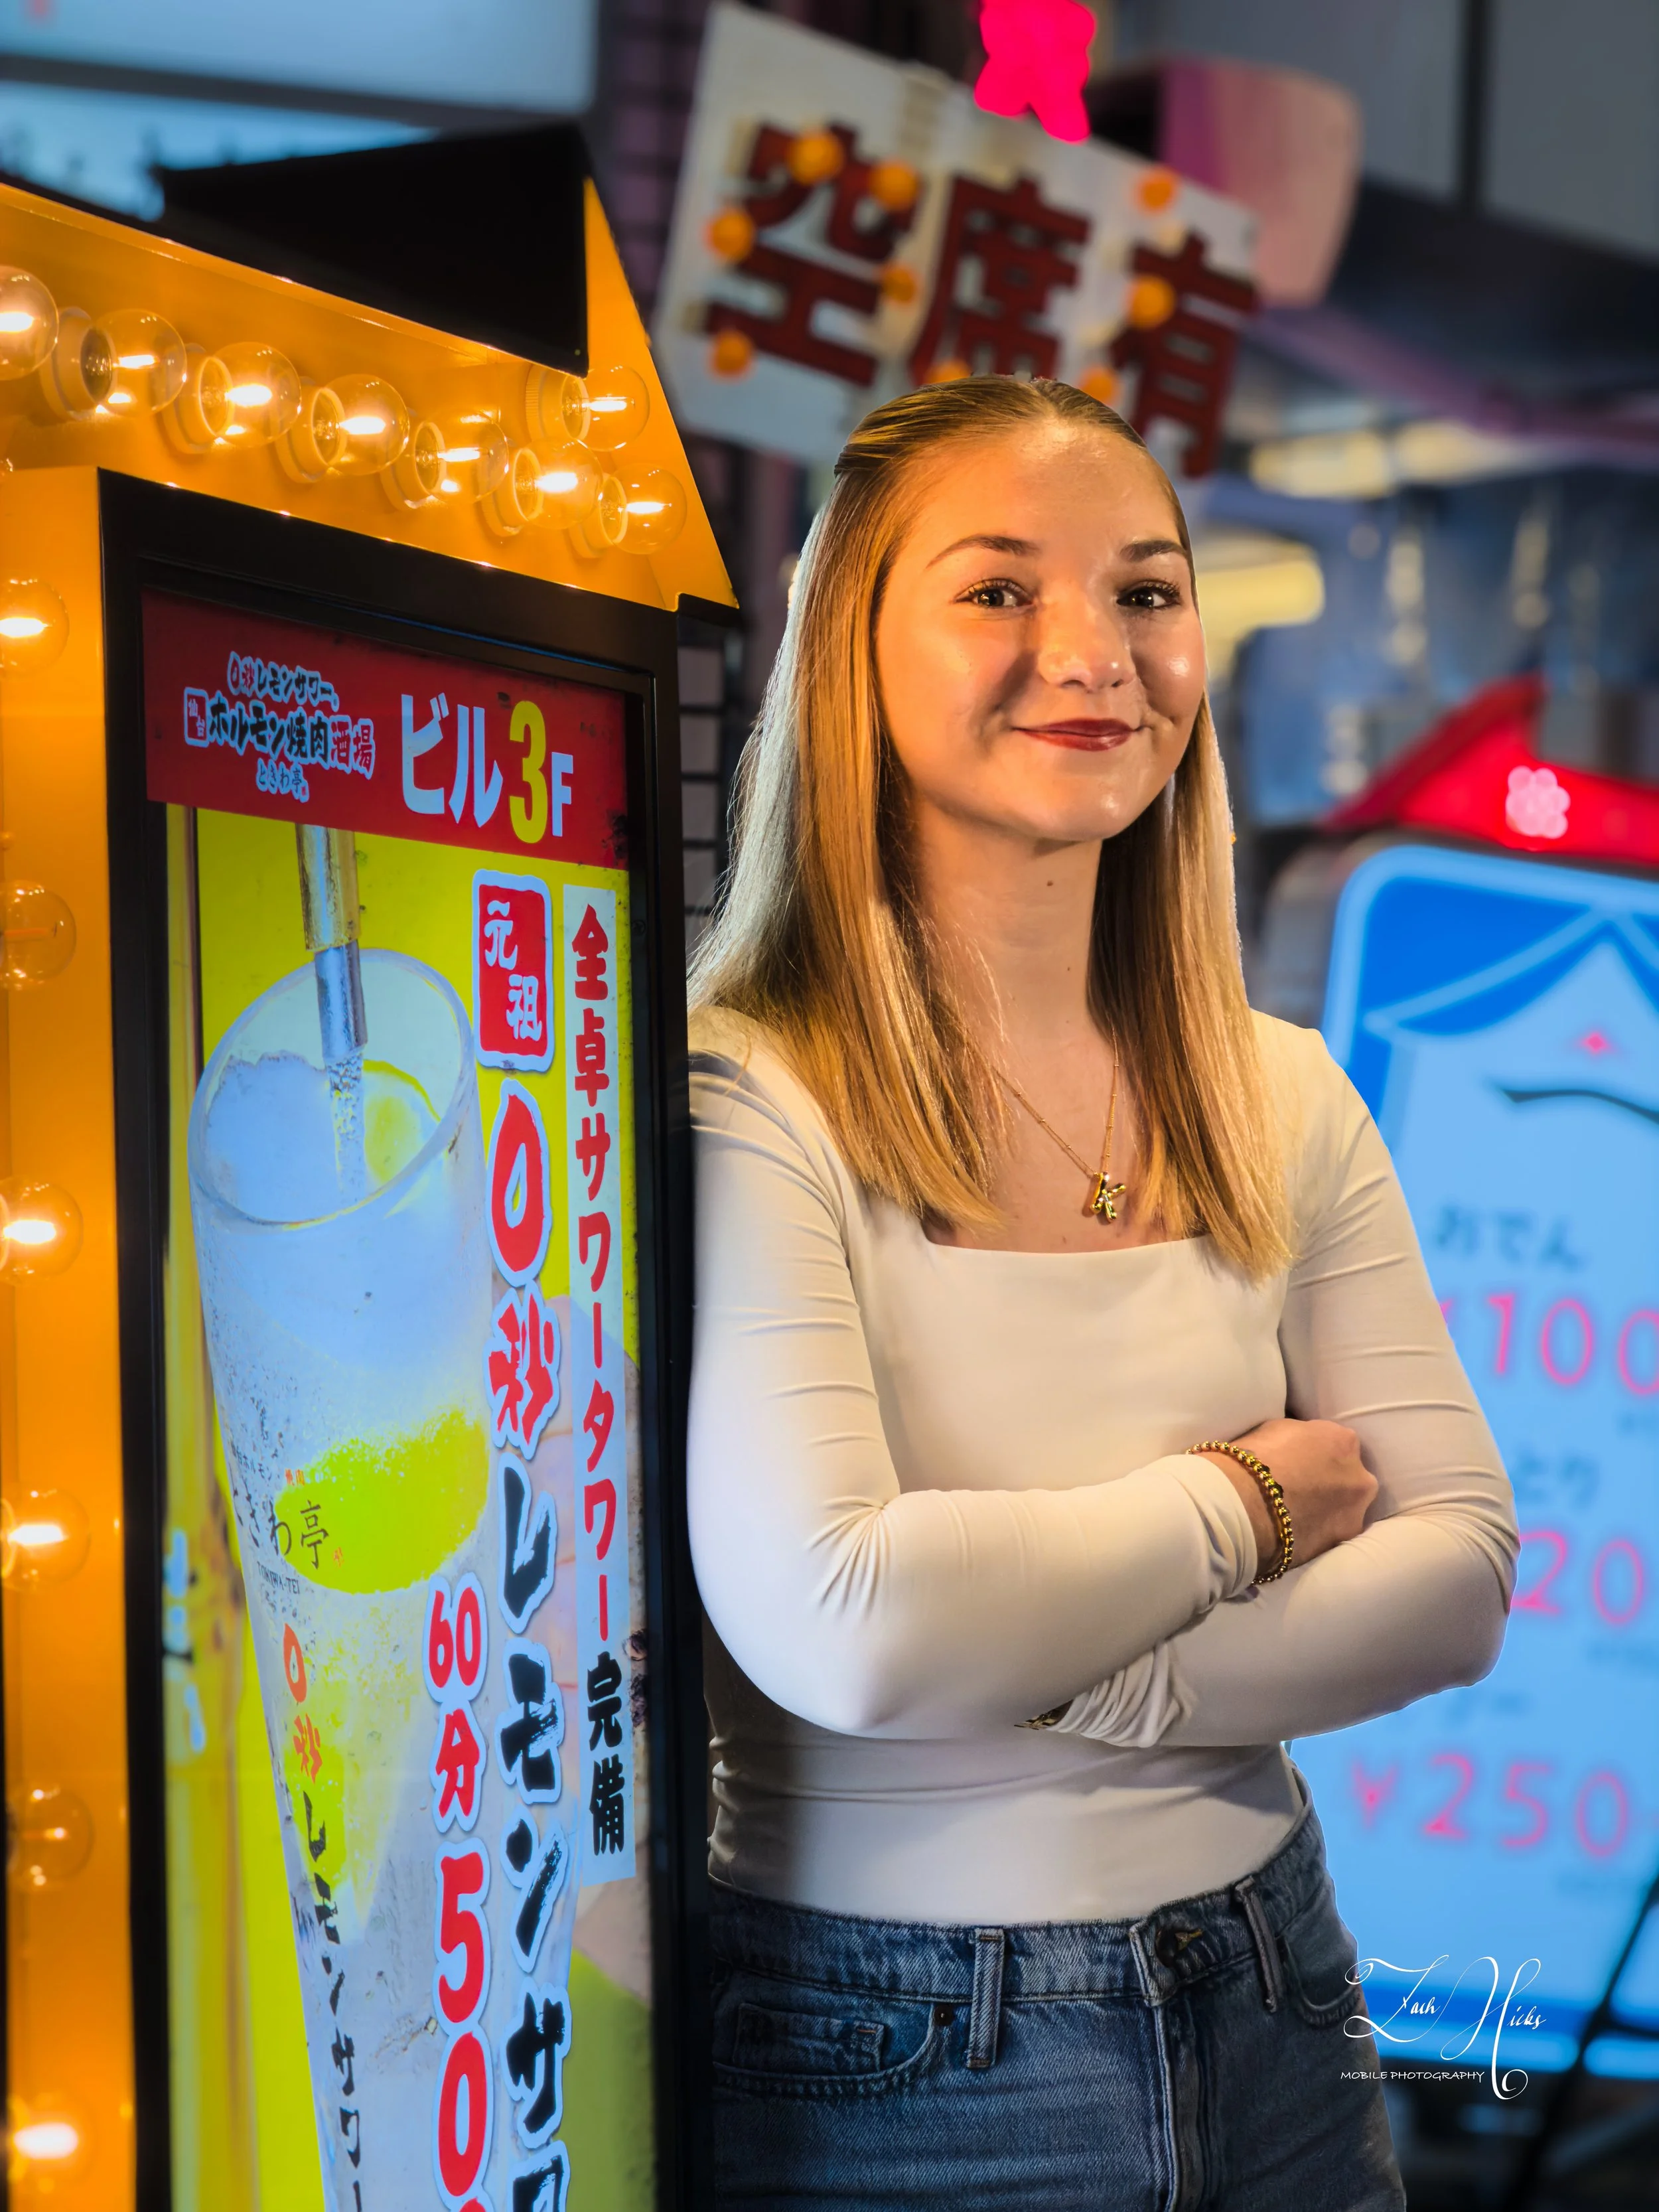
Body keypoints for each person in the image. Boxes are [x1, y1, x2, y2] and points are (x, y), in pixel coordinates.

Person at [684, 374, 1518, 2211]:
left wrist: (1073, 1666)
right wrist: (1243, 1502)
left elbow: (1458, 1569)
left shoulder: (1272, 1082)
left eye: (1146, 591)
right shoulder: (746, 1092)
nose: (1094, 650)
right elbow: (849, 1625)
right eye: (998, 589)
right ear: (848, 652)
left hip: (1271, 1974)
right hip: (892, 2042)